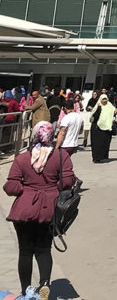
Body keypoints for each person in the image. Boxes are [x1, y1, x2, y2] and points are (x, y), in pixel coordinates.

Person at [3, 121, 77, 297]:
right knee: (44, 250)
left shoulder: (22, 158)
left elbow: (10, 186)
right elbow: (67, 182)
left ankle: (26, 289)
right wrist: (51, 188)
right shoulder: (61, 156)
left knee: (25, 251)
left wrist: (26, 190)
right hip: (49, 210)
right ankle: (44, 283)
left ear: (34, 135)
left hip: (23, 211)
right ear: (51, 136)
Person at [87, 93, 117, 163]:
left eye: (105, 99)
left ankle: (102, 157)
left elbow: (112, 114)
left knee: (104, 143)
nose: (104, 100)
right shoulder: (98, 106)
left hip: (107, 128)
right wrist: (99, 108)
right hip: (97, 128)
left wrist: (115, 112)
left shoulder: (109, 105)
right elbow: (94, 117)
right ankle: (96, 158)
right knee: (96, 144)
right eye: (103, 99)